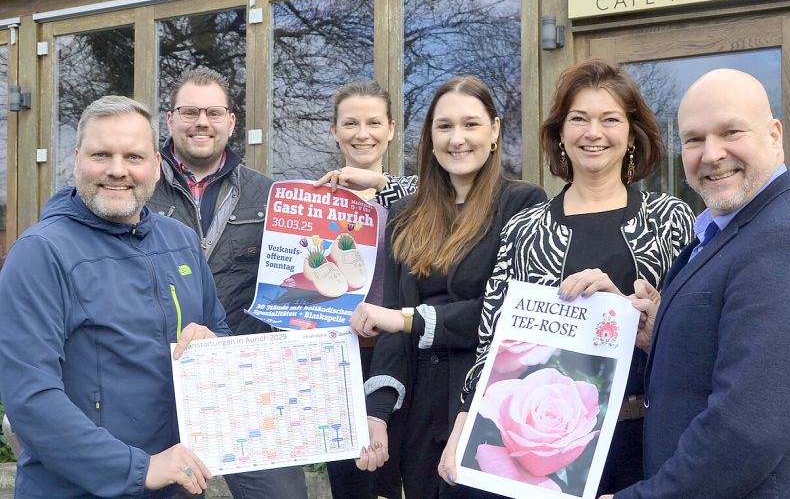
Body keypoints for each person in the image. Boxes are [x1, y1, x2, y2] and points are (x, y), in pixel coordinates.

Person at [602, 69, 790, 498]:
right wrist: (663, 333)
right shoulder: (729, 226)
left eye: (731, 131)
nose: (711, 154)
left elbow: (746, 430)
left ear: (774, 134)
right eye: (693, 139)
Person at [438, 58, 694, 494]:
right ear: (560, 133)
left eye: (610, 119)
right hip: (542, 451)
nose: (593, 133)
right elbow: (492, 341)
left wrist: (622, 313)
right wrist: (465, 422)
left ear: (632, 134)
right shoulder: (524, 229)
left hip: (646, 441)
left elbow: (694, 337)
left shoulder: (670, 219)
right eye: (579, 119)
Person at [0, 95, 231, 498]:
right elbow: (30, 397)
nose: (117, 170)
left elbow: (222, 330)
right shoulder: (41, 253)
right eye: (101, 154)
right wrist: (139, 468)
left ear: (156, 166)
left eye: (134, 157)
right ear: (76, 160)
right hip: (74, 489)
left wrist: (215, 346)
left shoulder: (180, 241)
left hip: (176, 483)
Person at [349, 75, 547, 498]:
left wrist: (408, 320)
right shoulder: (405, 213)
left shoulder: (524, 204)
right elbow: (389, 321)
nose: (458, 139)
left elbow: (508, 315)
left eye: (471, 125)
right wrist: (378, 413)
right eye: (444, 127)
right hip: (418, 402)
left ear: (494, 131)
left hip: (485, 398)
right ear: (430, 137)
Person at [147, 67, 307, 498]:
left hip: (247, 386)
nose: (202, 122)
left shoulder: (270, 196)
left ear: (231, 122)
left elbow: (295, 291)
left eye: (214, 112)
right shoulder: (138, 191)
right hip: (157, 385)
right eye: (190, 111)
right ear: (170, 120)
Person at [314, 80, 417, 499]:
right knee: (350, 475)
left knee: (400, 473)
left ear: (391, 129)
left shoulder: (413, 197)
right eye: (350, 123)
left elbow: (448, 199)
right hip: (339, 353)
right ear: (334, 131)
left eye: (374, 122)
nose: (363, 133)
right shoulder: (314, 201)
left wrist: (378, 181)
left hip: (404, 348)